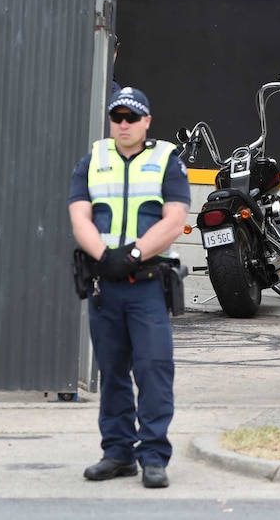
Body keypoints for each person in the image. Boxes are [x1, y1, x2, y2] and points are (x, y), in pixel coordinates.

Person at [69, 86, 190, 488]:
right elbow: (79, 216)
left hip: (148, 284)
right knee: (113, 372)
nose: (124, 124)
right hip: (106, 285)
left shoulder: (166, 160)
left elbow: (174, 220)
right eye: (117, 117)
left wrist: (134, 255)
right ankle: (118, 453)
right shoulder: (93, 159)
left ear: (147, 122)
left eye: (132, 117)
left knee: (154, 370)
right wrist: (105, 258)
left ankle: (153, 456)